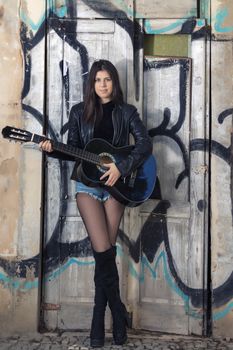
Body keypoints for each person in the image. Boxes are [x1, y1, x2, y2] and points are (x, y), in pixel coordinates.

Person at [39, 59, 152, 347]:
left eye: (108, 79)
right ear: (92, 84)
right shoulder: (80, 112)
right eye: (98, 80)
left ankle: (100, 319)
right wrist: (52, 149)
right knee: (103, 252)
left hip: (116, 189)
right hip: (87, 188)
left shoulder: (127, 112)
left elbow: (145, 145)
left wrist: (121, 168)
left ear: (114, 82)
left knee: (105, 256)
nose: (103, 85)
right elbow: (73, 150)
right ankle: (113, 310)